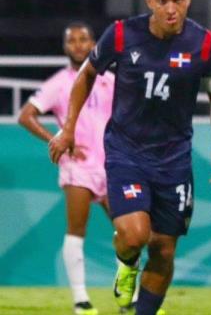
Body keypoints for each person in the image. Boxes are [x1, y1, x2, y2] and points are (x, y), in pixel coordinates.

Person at [48, 0, 211, 315]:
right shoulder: (121, 35)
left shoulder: (204, 45)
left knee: (164, 250)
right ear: (149, 1)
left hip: (175, 160)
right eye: (162, 1)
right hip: (126, 152)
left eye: (177, 0)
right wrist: (68, 127)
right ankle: (127, 264)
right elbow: (85, 76)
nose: (171, 9)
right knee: (135, 235)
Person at [18, 22, 114, 315]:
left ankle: (130, 295)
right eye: (71, 40)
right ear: (65, 47)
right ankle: (81, 299)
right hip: (78, 167)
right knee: (76, 231)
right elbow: (26, 115)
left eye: (83, 39)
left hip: (113, 165)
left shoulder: (111, 79)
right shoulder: (59, 83)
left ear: (93, 43)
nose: (78, 45)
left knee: (128, 233)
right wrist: (57, 139)